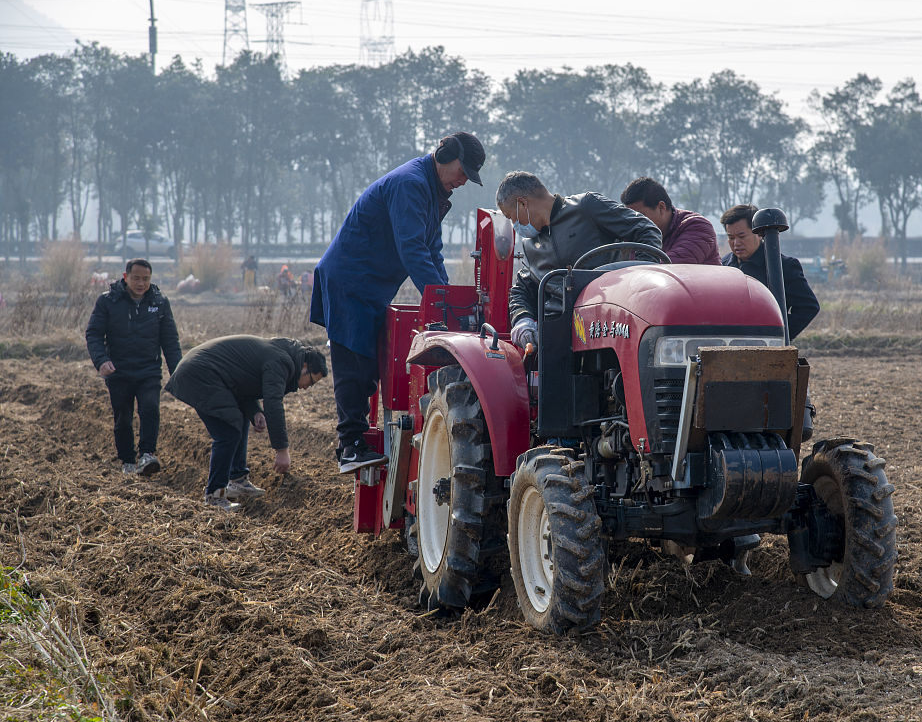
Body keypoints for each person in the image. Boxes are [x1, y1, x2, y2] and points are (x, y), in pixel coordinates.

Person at [311, 131, 486, 474]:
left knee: (371, 364)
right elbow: (413, 250)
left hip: (372, 285)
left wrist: (445, 301)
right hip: (350, 279)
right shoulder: (410, 184)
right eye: (462, 170)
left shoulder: (432, 192)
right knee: (355, 360)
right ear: (445, 155)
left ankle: (357, 441)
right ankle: (350, 447)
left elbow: (433, 251)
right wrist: (439, 303)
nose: (464, 180)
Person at [496, 171, 663, 349]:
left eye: (510, 217)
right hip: (557, 333)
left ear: (523, 203)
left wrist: (639, 278)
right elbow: (521, 289)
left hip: (605, 323)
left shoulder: (586, 207)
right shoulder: (530, 246)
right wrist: (522, 320)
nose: (514, 225)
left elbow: (646, 230)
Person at [164, 335, 327, 512]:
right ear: (305, 366)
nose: (307, 387)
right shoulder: (281, 362)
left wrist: (254, 411)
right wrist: (282, 450)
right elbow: (273, 404)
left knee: (238, 418)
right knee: (228, 431)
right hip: (199, 373)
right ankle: (214, 495)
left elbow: (241, 380)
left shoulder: (282, 355)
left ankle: (238, 479)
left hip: (208, 372)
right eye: (311, 381)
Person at [85, 258, 182, 476]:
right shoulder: (108, 301)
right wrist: (101, 361)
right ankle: (127, 461)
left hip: (149, 370)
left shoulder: (159, 302)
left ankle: (147, 454)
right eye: (137, 278)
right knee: (123, 417)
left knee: (150, 409)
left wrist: (178, 371)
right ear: (126, 277)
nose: (141, 283)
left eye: (146, 279)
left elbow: (170, 340)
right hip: (118, 371)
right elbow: (93, 334)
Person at [720, 204, 820, 340]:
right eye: (731, 238)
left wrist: (777, 335)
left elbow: (808, 307)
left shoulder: (784, 266)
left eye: (742, 236)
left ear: (758, 234)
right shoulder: (722, 266)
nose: (736, 243)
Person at [619, 176, 720, 265]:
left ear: (661, 207)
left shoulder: (698, 227)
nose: (635, 223)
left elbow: (667, 269)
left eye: (641, 216)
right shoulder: (635, 234)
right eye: (631, 217)